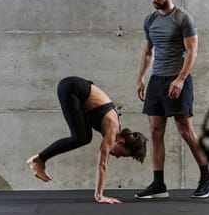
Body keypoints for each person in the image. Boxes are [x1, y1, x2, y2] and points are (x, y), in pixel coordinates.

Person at [135, 0, 209, 199]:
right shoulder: (150, 20)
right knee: (155, 132)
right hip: (157, 80)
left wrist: (181, 79)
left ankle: (208, 179)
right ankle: (159, 184)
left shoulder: (183, 18)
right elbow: (147, 52)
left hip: (177, 79)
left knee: (185, 131)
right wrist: (141, 78)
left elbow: (192, 52)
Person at [27, 76, 148, 204]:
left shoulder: (114, 127)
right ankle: (37, 160)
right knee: (80, 137)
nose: (117, 157)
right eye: (121, 155)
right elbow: (102, 164)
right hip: (71, 88)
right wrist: (99, 196)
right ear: (122, 142)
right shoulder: (113, 129)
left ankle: (39, 159)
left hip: (75, 89)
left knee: (84, 138)